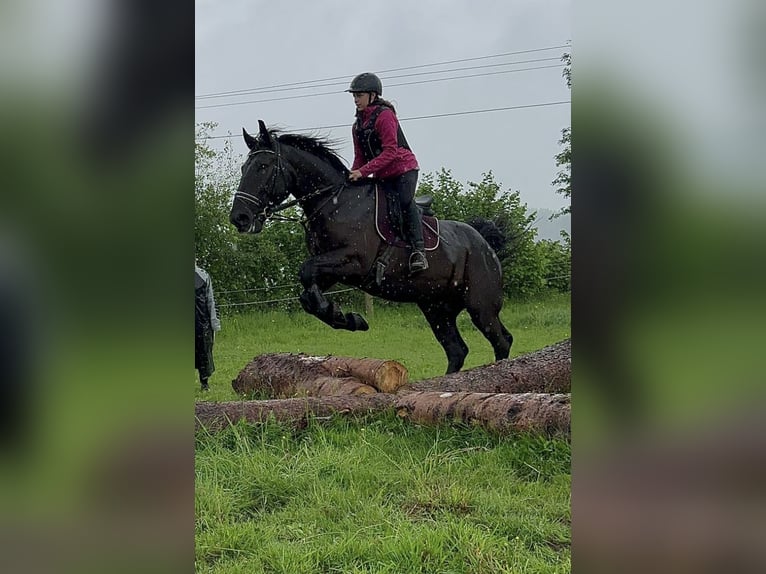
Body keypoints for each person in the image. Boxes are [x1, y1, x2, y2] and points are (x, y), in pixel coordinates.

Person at [346, 72, 428, 273]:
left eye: (360, 95)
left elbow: (391, 151)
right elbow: (360, 158)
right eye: (354, 96)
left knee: (404, 202)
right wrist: (352, 175)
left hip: (403, 169)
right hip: (383, 174)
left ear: (372, 95)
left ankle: (419, 251)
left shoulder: (385, 115)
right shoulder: (357, 126)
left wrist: (363, 172)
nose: (356, 100)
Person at [195, 262, 220, 391]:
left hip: (201, 322)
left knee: (203, 353)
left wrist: (214, 323)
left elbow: (210, 300)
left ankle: (204, 383)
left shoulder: (203, 276)